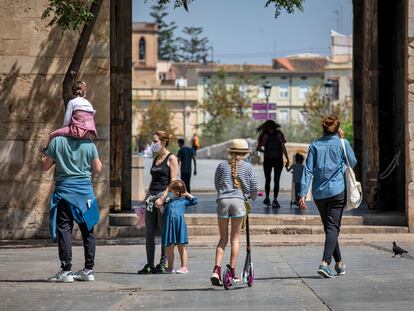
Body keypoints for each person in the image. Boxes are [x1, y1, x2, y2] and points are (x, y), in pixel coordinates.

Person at [299, 115, 357, 278]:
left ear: (323, 129)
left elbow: (308, 170)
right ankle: (325, 263)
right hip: (337, 191)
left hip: (319, 193)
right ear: (337, 128)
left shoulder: (314, 145)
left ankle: (339, 264)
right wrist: (343, 140)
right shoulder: (342, 143)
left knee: (330, 227)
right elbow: (352, 162)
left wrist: (303, 193)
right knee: (332, 228)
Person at [42, 135, 102, 283]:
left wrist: (48, 153)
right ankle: (88, 271)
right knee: (88, 231)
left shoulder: (57, 141)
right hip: (85, 194)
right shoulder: (89, 144)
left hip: (65, 193)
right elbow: (98, 168)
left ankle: (66, 271)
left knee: (64, 230)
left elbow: (45, 166)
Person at [211, 139, 258, 286]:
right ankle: (232, 271)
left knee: (223, 239)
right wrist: (251, 197)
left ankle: (216, 270)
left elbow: (217, 184)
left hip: (223, 202)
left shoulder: (221, 166)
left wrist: (224, 193)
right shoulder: (248, 167)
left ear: (230, 151)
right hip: (238, 202)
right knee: (235, 239)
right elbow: (254, 187)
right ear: (245, 154)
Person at [138, 131, 179, 274]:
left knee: (163, 232)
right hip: (151, 198)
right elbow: (153, 179)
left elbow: (174, 182)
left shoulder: (171, 158)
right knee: (149, 232)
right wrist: (145, 197)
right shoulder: (156, 158)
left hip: (163, 199)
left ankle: (162, 263)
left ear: (163, 142)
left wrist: (163, 197)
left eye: (155, 141)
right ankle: (149, 264)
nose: (152, 144)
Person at [45, 81, 98, 150]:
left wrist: (63, 128)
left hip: (76, 131)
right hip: (88, 133)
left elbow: (66, 121)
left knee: (52, 135)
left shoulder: (72, 102)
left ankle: (46, 153)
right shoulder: (88, 103)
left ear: (73, 91)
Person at [160, 180, 197, 274]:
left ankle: (184, 267)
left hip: (179, 226)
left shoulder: (184, 201)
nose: (169, 193)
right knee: (170, 248)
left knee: (181, 247)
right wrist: (164, 196)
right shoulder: (168, 201)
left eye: (171, 191)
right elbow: (161, 207)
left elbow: (195, 201)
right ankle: (170, 267)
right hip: (169, 226)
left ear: (177, 192)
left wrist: (188, 194)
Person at [256, 120, 290, 208]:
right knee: (276, 180)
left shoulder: (265, 135)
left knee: (268, 180)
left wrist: (265, 151)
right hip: (278, 159)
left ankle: (267, 198)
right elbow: (283, 147)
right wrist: (287, 158)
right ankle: (275, 200)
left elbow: (258, 148)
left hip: (268, 160)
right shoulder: (279, 134)